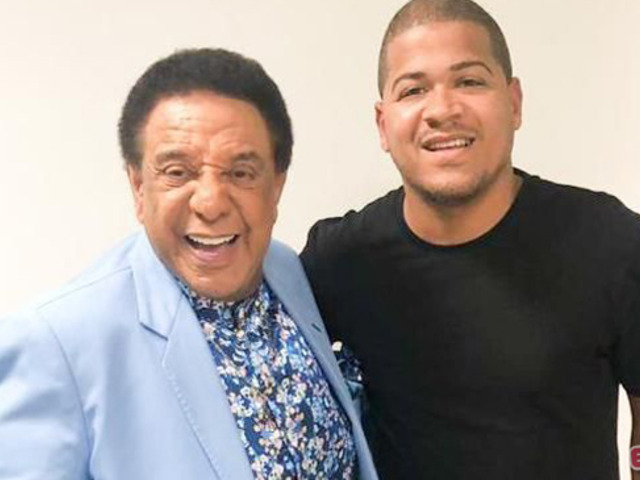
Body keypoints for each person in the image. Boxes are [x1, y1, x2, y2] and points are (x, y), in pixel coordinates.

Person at [0, 48, 378, 480]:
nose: (211, 203)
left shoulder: (284, 268)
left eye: (241, 172)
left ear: (276, 186)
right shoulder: (56, 343)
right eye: (178, 172)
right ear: (138, 186)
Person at [300, 0, 640, 478]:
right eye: (413, 90)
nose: (442, 109)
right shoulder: (338, 261)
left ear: (514, 103)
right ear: (383, 124)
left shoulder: (609, 243)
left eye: (470, 81)